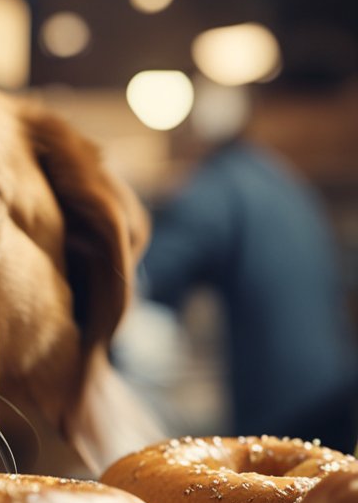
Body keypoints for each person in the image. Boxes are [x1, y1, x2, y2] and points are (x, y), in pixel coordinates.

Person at [139, 83, 358, 451]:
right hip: (335, 385)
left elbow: (157, 272)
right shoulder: (278, 176)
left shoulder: (218, 184)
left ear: (196, 133)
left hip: (281, 398)